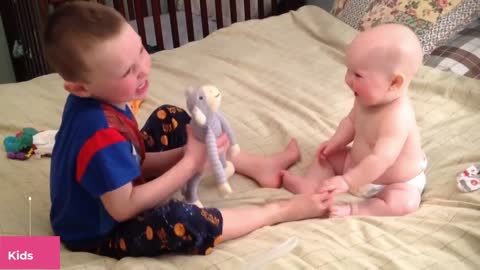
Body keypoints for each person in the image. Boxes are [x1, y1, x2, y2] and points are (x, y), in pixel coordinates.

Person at [45, 1, 332, 259]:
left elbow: (134, 160)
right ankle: (278, 211)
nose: (144, 69)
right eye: (126, 72)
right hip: (100, 232)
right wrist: (190, 163)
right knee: (182, 220)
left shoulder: (101, 101)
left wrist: (184, 151)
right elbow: (124, 208)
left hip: (116, 186)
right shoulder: (99, 136)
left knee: (171, 117)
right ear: (80, 88)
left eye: (142, 51)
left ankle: (258, 166)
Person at [281, 24, 426, 217]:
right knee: (326, 155)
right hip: (357, 164)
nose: (347, 80)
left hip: (392, 182)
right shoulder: (366, 98)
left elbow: (381, 159)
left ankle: (356, 209)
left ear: (394, 83)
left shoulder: (398, 116)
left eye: (358, 75)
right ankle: (311, 187)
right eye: (349, 70)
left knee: (404, 203)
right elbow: (350, 122)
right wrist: (335, 142)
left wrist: (348, 181)